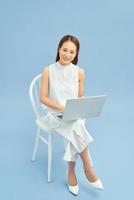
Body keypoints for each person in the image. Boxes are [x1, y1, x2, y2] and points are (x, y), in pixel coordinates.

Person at [40, 35, 103, 195]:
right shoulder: (48, 70)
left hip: (74, 114)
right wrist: (61, 108)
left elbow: (80, 95)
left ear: (76, 54)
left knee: (76, 123)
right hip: (55, 114)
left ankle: (71, 172)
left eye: (72, 52)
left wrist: (82, 106)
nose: (67, 54)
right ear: (58, 49)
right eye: (64, 50)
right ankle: (88, 168)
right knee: (76, 125)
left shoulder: (80, 72)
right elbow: (43, 98)